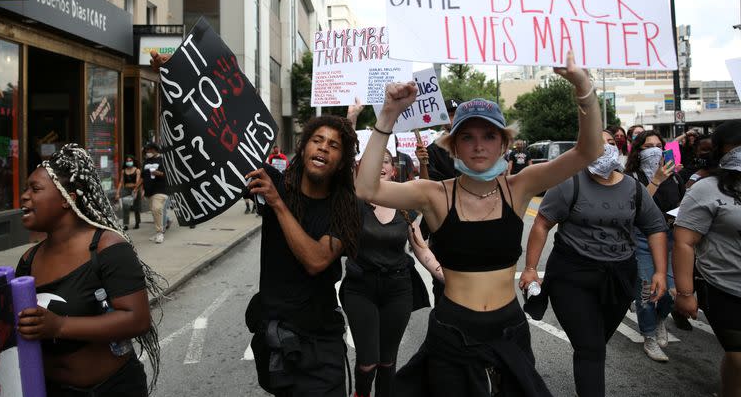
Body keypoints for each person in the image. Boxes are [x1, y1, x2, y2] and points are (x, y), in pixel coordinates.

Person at [356, 52, 604, 396]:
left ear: (503, 143)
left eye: (489, 136)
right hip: (453, 334)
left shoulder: (519, 187)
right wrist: (387, 114)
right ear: (453, 146)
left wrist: (582, 85)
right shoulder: (434, 195)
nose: (478, 146)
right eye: (467, 137)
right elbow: (367, 187)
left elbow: (589, 151)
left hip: (509, 332)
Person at [521, 129, 669, 396]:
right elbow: (542, 224)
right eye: (597, 144)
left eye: (611, 143)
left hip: (619, 279)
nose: (606, 148)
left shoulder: (633, 188)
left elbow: (655, 227)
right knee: (591, 348)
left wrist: (659, 271)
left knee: (596, 342)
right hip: (572, 277)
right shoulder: (569, 183)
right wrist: (531, 269)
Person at [15, 144, 163, 396]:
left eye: (35, 189)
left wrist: (59, 326)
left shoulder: (108, 247)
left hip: (111, 389)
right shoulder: (28, 260)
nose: (25, 196)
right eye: (26, 188)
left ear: (67, 199)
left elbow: (137, 319)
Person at [244, 115, 362, 397]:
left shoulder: (346, 209)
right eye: (317, 140)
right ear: (304, 146)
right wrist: (176, 73)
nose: (323, 148)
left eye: (333, 145)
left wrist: (277, 205)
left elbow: (316, 260)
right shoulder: (275, 182)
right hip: (278, 344)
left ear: (342, 161)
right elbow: (230, 151)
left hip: (320, 348)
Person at [341, 149, 439, 397]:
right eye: (373, 162)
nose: (379, 166)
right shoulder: (353, 201)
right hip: (360, 288)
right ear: (360, 169)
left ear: (393, 170)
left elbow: (421, 249)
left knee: (387, 362)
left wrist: (448, 277)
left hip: (397, 289)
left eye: (385, 161)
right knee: (367, 362)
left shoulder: (405, 206)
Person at [674, 121, 741, 397]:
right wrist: (685, 292)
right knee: (739, 358)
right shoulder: (706, 188)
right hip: (723, 287)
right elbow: (684, 241)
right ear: (721, 150)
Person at [624, 129, 685, 361]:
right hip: (643, 239)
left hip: (671, 238)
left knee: (671, 291)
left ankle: (660, 319)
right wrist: (656, 180)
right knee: (648, 290)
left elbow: (683, 203)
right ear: (638, 151)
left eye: (658, 146)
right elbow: (636, 209)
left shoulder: (676, 177)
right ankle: (649, 336)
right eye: (648, 146)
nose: (654, 150)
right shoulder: (631, 178)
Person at [425, 98, 459, 181]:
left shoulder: (477, 146)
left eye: (458, 114)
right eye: (450, 115)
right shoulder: (432, 150)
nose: (455, 119)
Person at [141, 142, 167, 244]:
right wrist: (139, 189)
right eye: (146, 150)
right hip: (149, 190)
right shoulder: (146, 161)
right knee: (154, 211)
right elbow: (143, 176)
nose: (147, 152)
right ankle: (157, 233)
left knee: (157, 208)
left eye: (149, 150)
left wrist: (158, 173)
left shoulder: (162, 160)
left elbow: (168, 174)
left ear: (154, 149)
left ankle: (160, 233)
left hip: (160, 189)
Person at [115, 154, 142, 230]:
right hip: (126, 189)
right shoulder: (123, 171)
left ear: (133, 161)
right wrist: (117, 192)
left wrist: (136, 191)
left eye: (130, 160)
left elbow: (138, 181)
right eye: (127, 161)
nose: (129, 162)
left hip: (134, 189)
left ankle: (137, 222)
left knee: (136, 207)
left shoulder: (137, 170)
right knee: (126, 207)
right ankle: (126, 224)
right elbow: (121, 182)